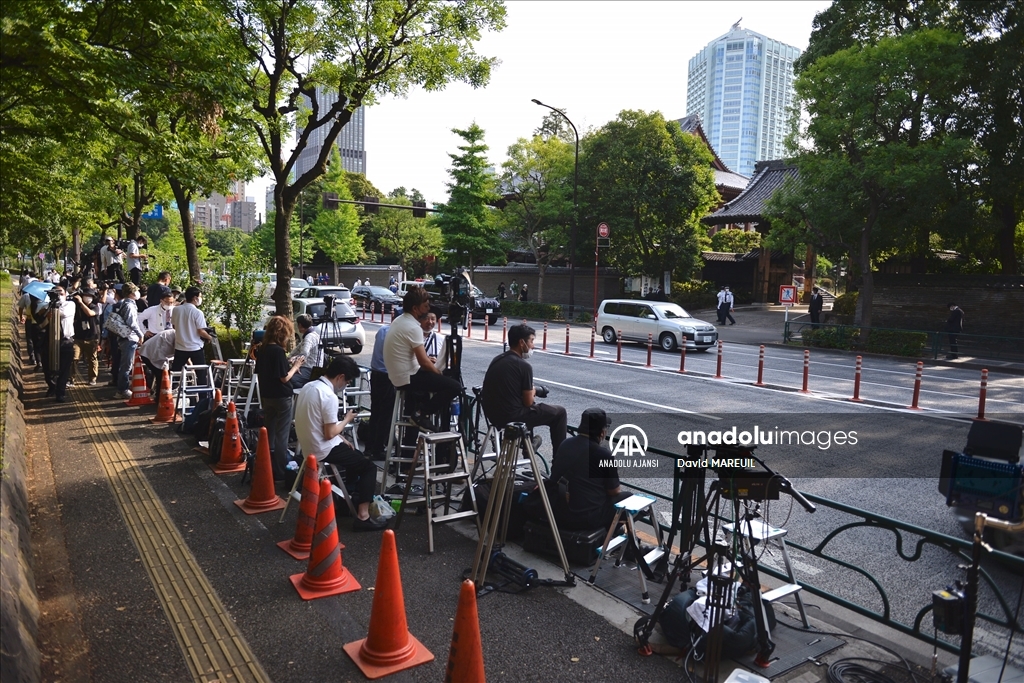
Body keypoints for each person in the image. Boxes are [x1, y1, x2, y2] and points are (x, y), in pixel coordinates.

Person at [294, 356, 388, 531]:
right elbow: (329, 433)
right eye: (347, 381)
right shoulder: (329, 396)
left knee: (354, 455)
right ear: (340, 377)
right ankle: (363, 515)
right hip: (322, 448)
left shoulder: (309, 386)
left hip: (308, 444)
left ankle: (348, 501)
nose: (345, 385)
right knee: (368, 467)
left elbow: (319, 425)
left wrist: (342, 438)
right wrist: (347, 420)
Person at [382, 285, 461, 431]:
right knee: (454, 386)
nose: (427, 309)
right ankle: (420, 414)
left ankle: (419, 418)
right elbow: (424, 362)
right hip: (407, 378)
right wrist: (438, 373)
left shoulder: (400, 320)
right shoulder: (413, 327)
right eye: (425, 306)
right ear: (415, 308)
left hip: (399, 375)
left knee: (436, 382)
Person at [480, 324, 567, 453]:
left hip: (492, 416)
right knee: (560, 412)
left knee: (531, 410)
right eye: (531, 341)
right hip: (511, 418)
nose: (532, 345)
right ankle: (559, 463)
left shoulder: (497, 359)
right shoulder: (524, 366)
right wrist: (534, 391)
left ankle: (529, 446)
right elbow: (528, 402)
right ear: (522, 342)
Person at [548, 408, 629, 531]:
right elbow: (614, 491)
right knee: (628, 498)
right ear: (602, 433)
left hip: (561, 511)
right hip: (588, 519)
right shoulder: (604, 454)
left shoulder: (565, 444)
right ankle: (613, 533)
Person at [256, 316, 305, 481]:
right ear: (282, 333)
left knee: (269, 430)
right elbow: (284, 378)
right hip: (282, 397)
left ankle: (266, 464)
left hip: (266, 394)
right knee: (282, 434)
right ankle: (280, 471)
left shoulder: (262, 349)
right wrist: (296, 366)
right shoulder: (278, 351)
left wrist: (288, 364)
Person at [34, 286, 78, 402]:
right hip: (48, 340)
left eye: (61, 293)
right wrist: (45, 312)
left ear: (65, 294)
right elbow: (39, 321)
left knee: (64, 369)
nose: (58, 295)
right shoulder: (47, 306)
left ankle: (60, 392)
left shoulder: (70, 304)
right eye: (55, 293)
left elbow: (62, 313)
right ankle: (52, 386)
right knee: (47, 367)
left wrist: (51, 308)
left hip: (65, 341)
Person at [170, 286, 212, 378]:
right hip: (195, 347)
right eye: (200, 296)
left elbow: (174, 326)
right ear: (195, 298)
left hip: (180, 347)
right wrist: (210, 337)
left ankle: (170, 390)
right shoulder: (197, 312)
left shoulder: (176, 310)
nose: (201, 299)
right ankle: (203, 392)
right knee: (201, 374)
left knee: (175, 373)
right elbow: (201, 331)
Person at [115, 282, 145, 399]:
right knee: (126, 365)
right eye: (135, 291)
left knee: (127, 364)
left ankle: (123, 388)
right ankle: (123, 389)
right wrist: (140, 334)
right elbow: (132, 322)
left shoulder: (127, 304)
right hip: (129, 338)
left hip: (127, 337)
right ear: (131, 293)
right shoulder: (129, 305)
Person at [72, 287, 102, 386]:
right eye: (86, 295)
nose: (88, 298)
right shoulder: (76, 307)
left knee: (92, 359)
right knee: (74, 358)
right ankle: (71, 378)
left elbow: (90, 313)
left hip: (92, 338)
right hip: (78, 338)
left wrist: (81, 303)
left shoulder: (95, 307)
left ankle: (92, 378)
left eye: (90, 296)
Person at [288, 314, 321, 389]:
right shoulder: (310, 334)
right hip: (309, 367)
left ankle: (308, 390)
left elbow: (304, 353)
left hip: (310, 369)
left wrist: (294, 360)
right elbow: (297, 350)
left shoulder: (309, 337)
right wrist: (288, 358)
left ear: (300, 325)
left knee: (289, 379)